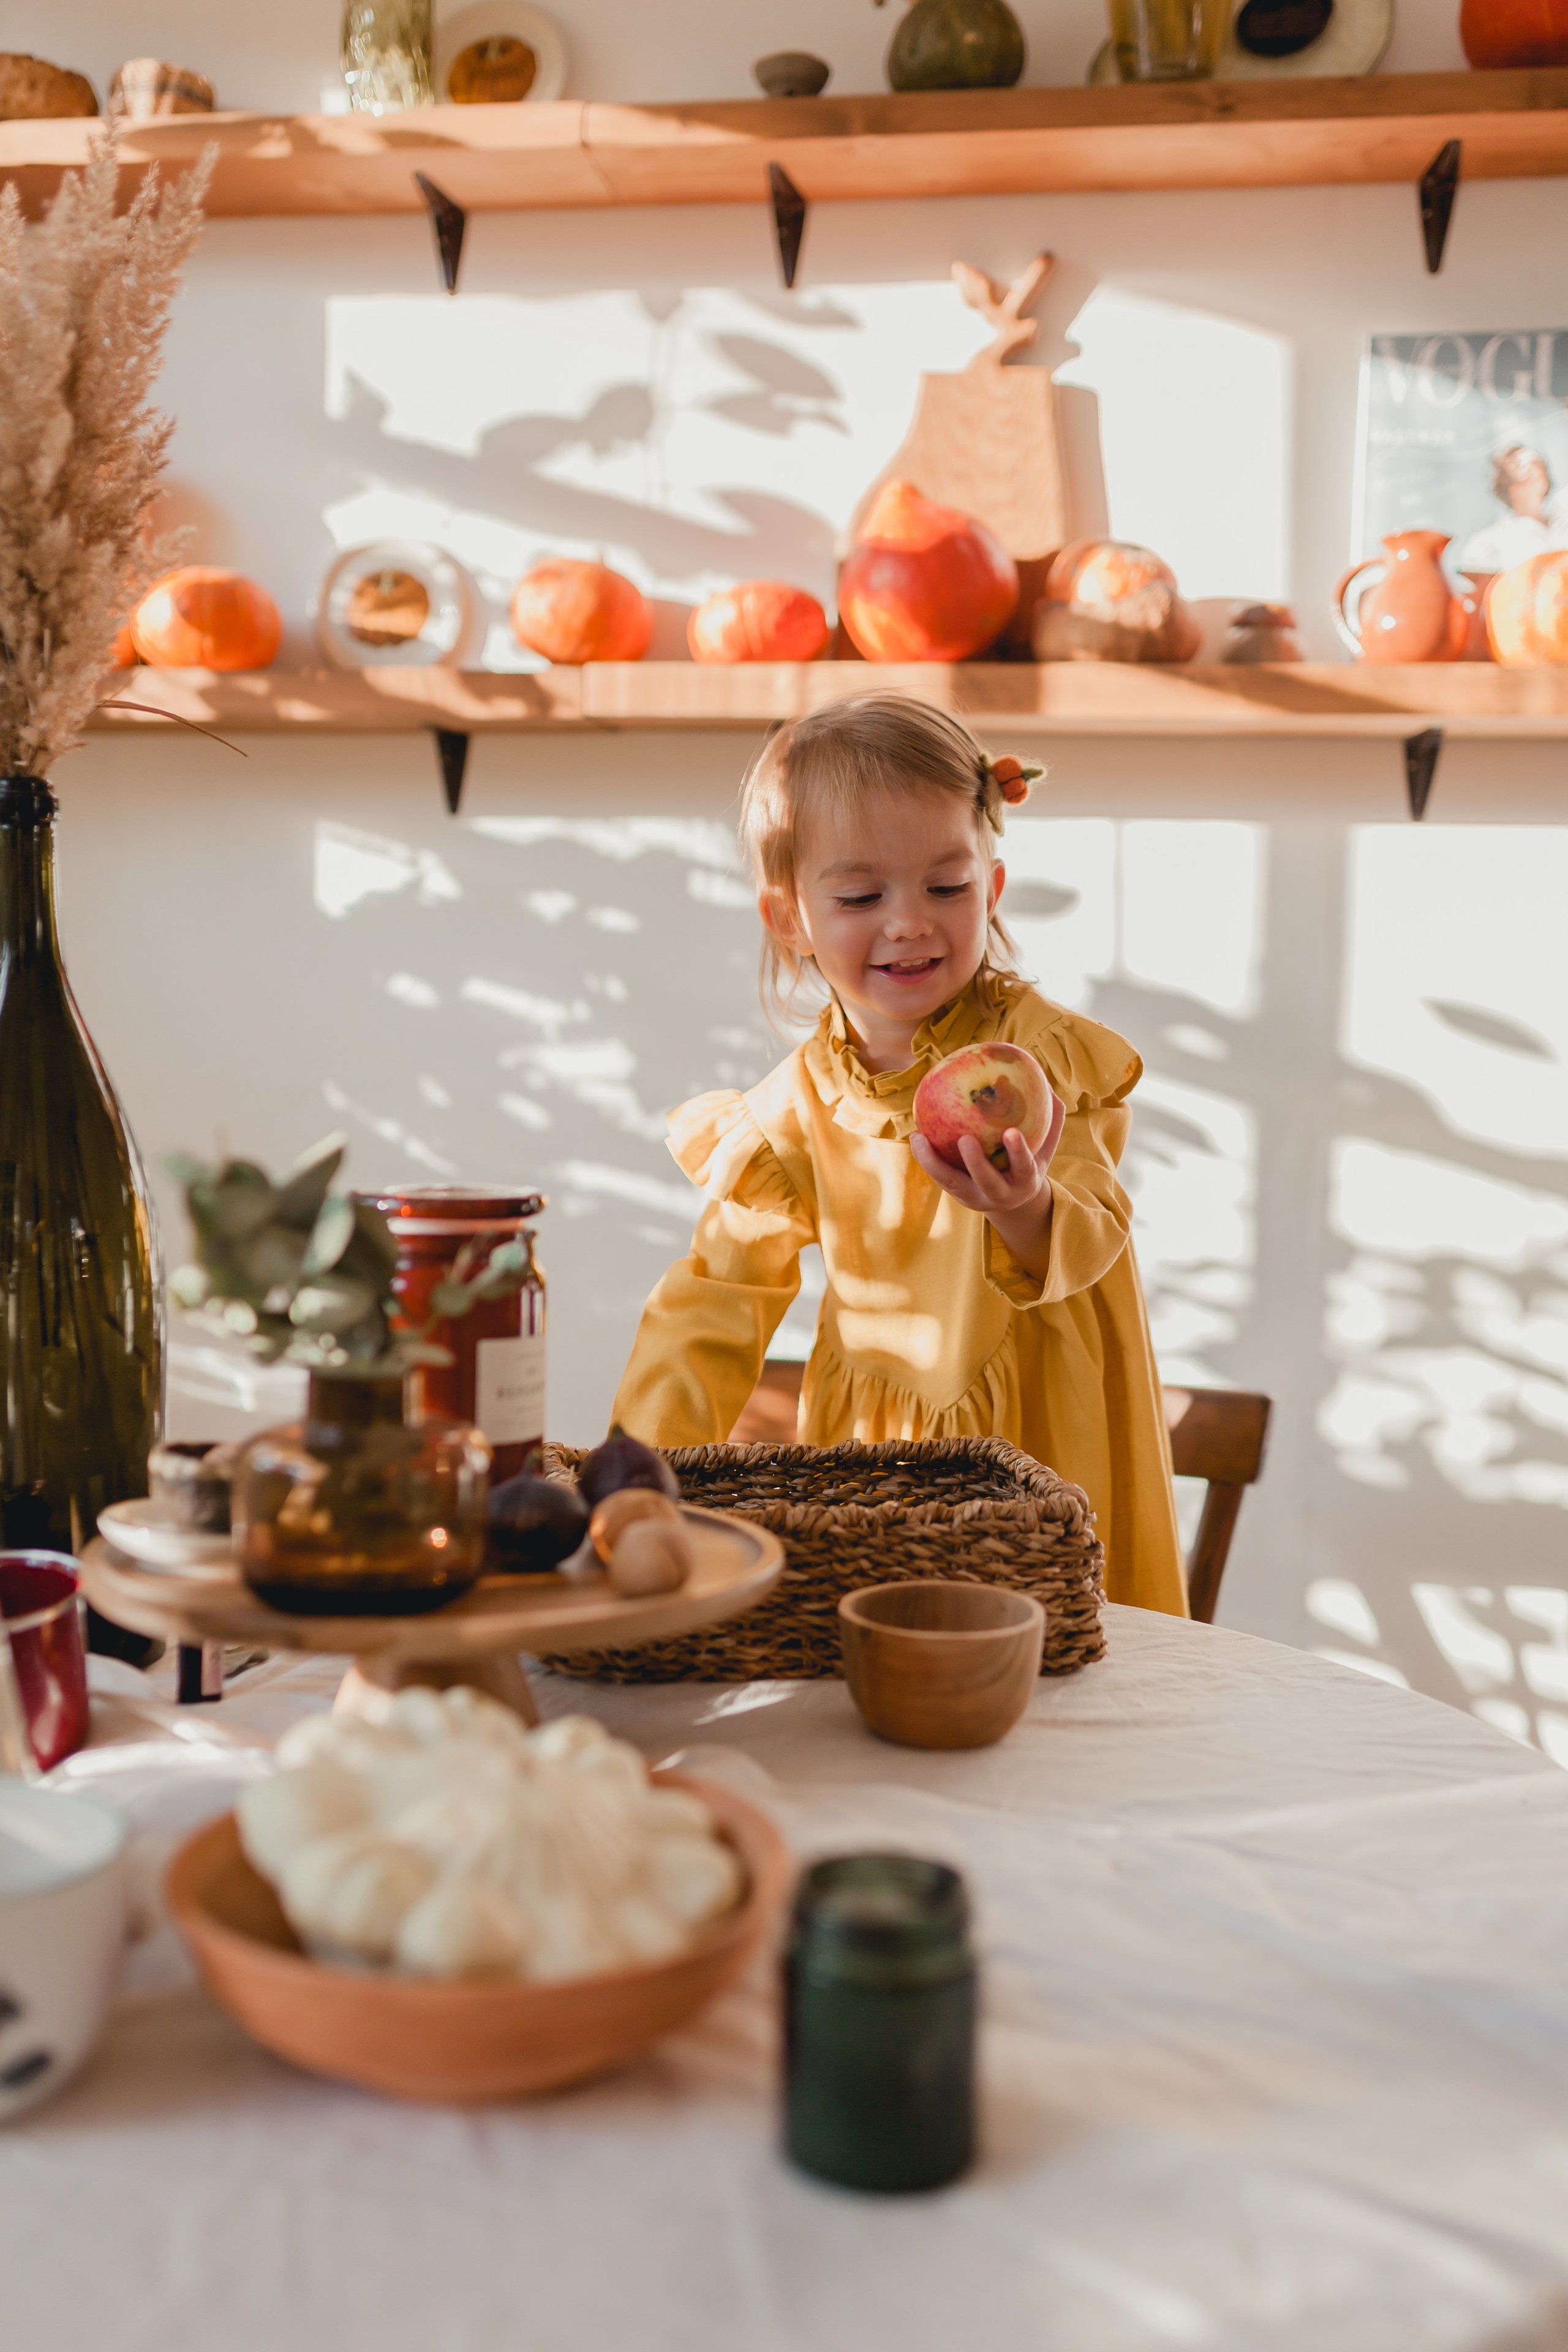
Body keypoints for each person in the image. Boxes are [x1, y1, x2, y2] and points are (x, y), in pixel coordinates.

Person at [610, 693, 1186, 1615]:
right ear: (789, 917)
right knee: (893, 1681)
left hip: (1049, 1437)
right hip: (880, 1465)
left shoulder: (1039, 1063)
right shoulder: (794, 1111)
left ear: (991, 890)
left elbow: (1097, 1226)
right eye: (861, 896)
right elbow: (717, 1299)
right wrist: (637, 1470)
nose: (911, 922)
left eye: (946, 888)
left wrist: (1023, 1209)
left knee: (1066, 1684)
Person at [1460, 445, 1566, 576]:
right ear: (1505, 480)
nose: (1530, 465)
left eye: (1537, 463)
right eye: (1518, 464)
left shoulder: (1563, 521)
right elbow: (1482, 593)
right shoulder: (1489, 543)